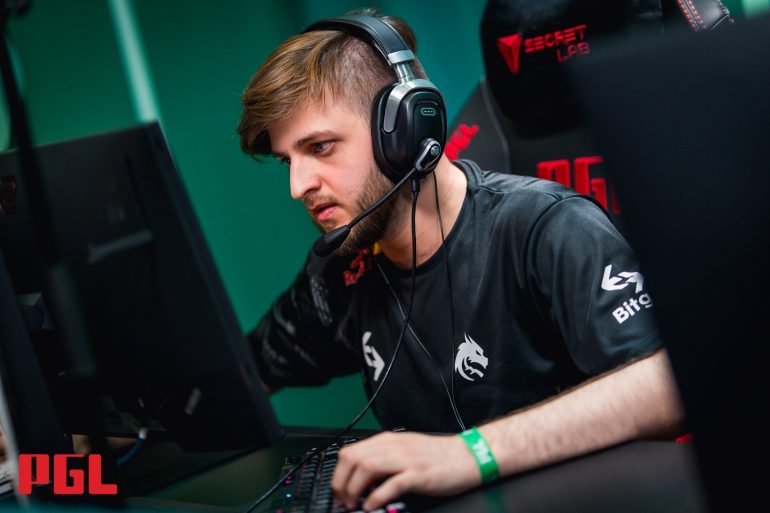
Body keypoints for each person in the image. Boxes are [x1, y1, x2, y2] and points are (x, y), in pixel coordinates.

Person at [237, 9, 685, 512]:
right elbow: (244, 373)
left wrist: (471, 453)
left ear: (403, 130)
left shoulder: (545, 226)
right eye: (288, 160)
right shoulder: (342, 269)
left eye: (320, 147)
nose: (298, 186)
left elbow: (669, 385)